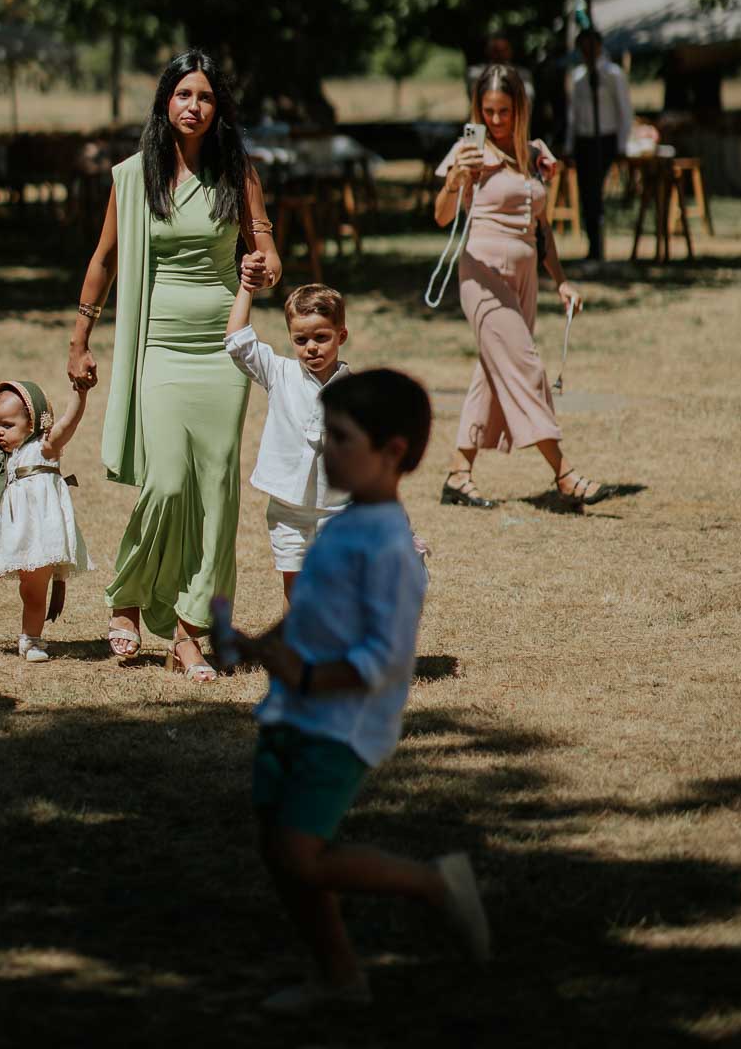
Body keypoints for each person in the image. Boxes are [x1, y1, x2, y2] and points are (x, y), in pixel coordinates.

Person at [230, 369, 489, 1017]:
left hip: (339, 725)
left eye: (339, 436)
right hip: (292, 710)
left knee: (300, 853)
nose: (323, 448)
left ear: (392, 451)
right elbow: (310, 612)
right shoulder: (342, 526)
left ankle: (434, 884)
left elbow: (383, 655)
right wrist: (259, 642)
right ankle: (338, 976)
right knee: (279, 849)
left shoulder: (391, 548)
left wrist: (308, 676)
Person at [67, 49, 281, 679]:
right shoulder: (134, 178)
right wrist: (80, 338)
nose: (194, 106)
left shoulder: (237, 172)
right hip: (157, 347)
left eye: (206, 97)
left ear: (219, 110)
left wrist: (263, 267)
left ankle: (188, 633)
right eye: (184, 94)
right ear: (166, 102)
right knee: (166, 482)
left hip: (222, 348)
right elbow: (103, 260)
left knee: (215, 492)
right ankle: (127, 595)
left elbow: (265, 248)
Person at [435, 64, 617, 509]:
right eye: (488, 111)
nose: (496, 120)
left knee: (495, 373)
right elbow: (441, 216)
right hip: (481, 275)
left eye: (505, 111)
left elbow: (542, 228)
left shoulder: (536, 155)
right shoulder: (469, 152)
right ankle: (564, 473)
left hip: (525, 276)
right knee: (525, 367)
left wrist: (562, 281)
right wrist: (456, 179)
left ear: (521, 110)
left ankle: (459, 474)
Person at [0, 379, 92, 664]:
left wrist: (79, 395)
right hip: (1, 527)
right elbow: (1, 485)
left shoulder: (45, 448)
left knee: (33, 590)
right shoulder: (6, 456)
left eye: (7, 425)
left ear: (34, 422)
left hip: (37, 532)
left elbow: (69, 424)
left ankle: (31, 640)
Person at [224, 278, 351, 607]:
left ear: (341, 336)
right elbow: (238, 342)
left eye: (321, 338)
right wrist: (247, 288)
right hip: (288, 508)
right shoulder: (279, 373)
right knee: (294, 584)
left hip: (338, 508)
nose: (311, 347)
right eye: (301, 339)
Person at [566, 28, 633, 265]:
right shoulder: (578, 77)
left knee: (596, 192)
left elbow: (624, 110)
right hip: (584, 139)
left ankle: (599, 245)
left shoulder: (613, 74)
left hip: (605, 137)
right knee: (587, 195)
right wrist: (569, 143)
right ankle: (593, 245)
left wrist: (622, 144)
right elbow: (573, 114)